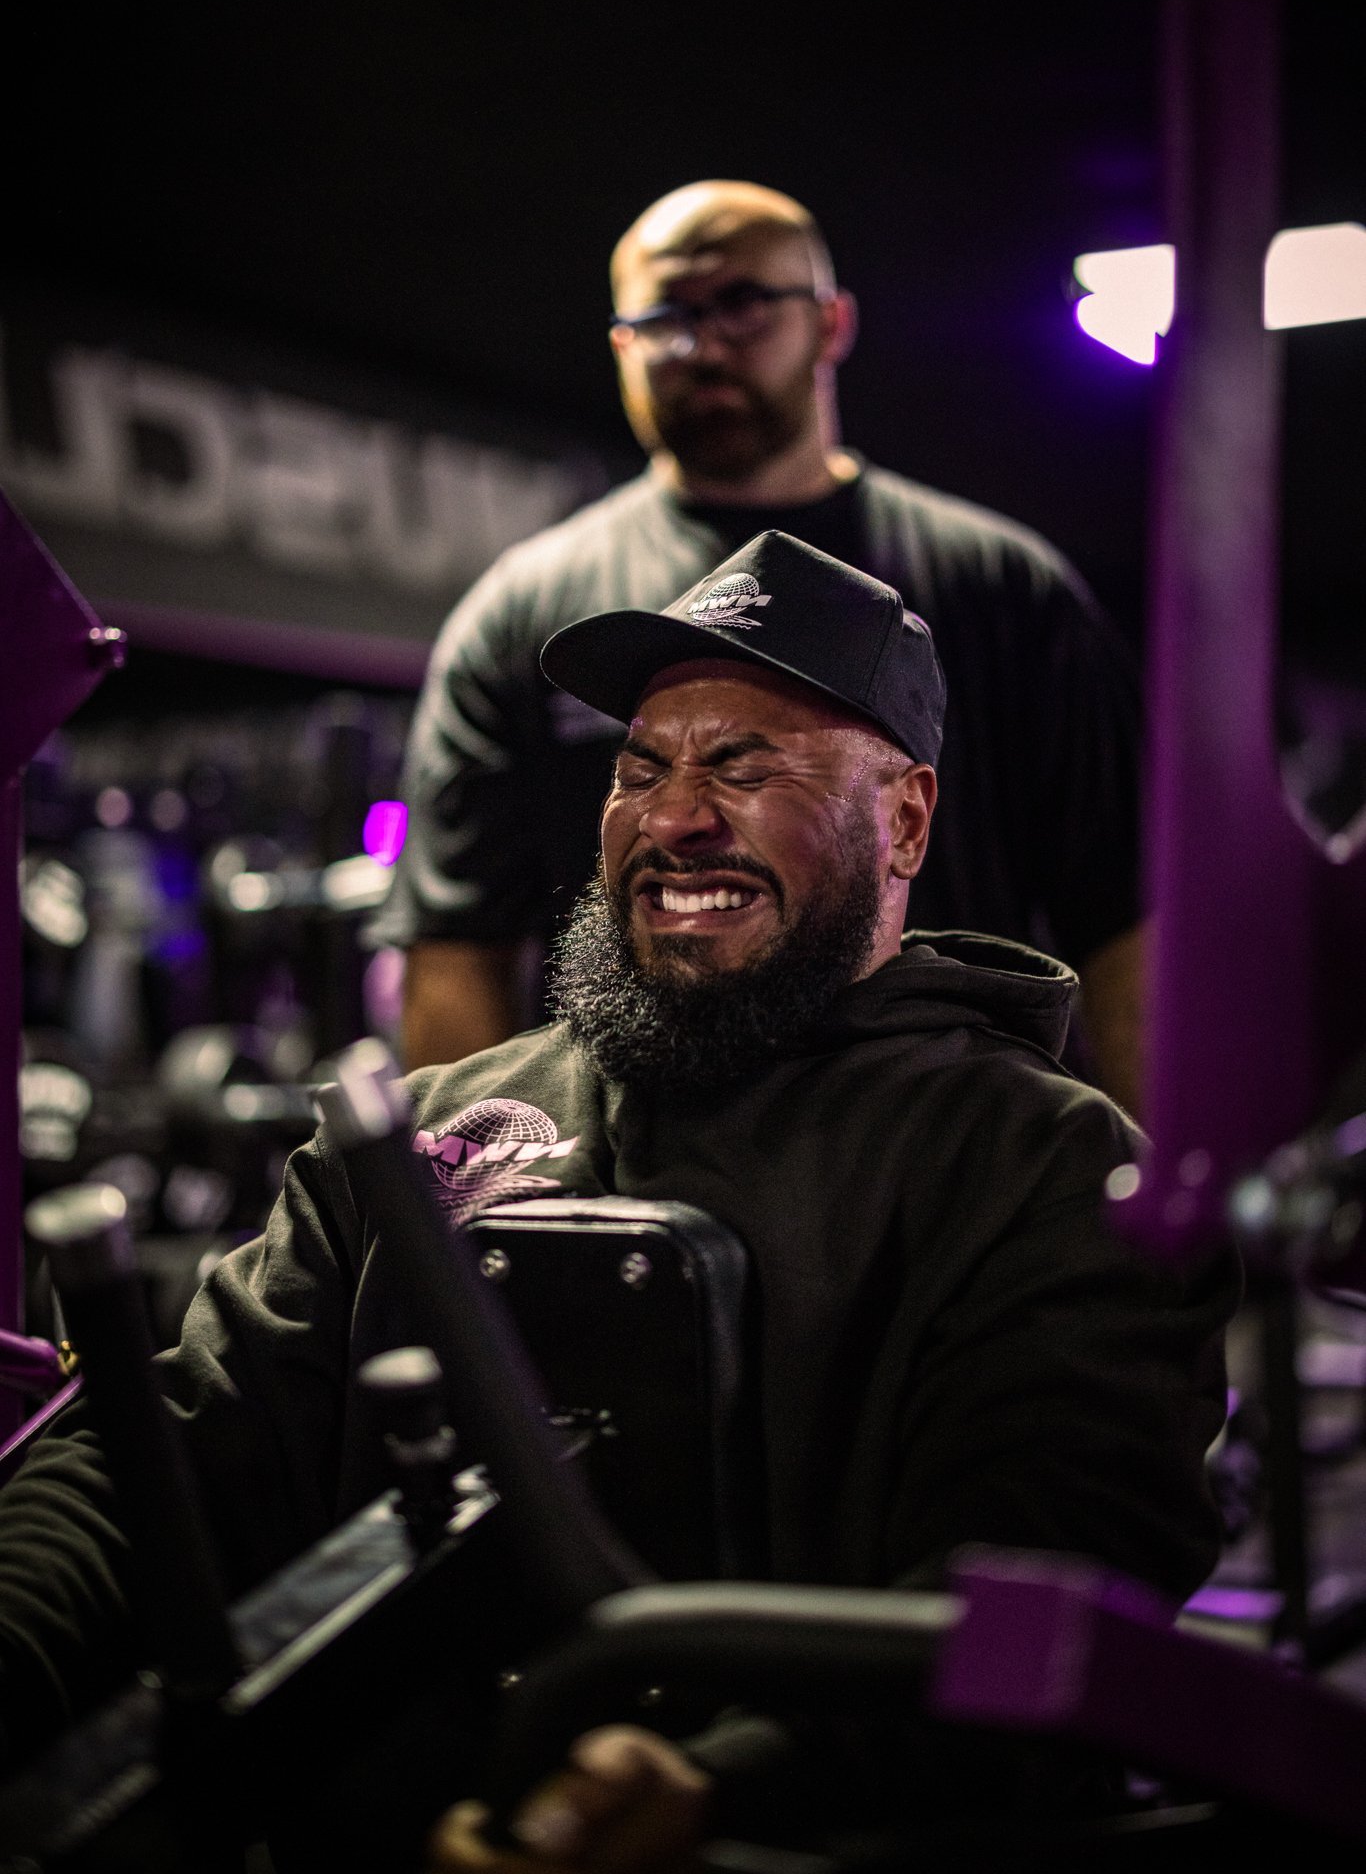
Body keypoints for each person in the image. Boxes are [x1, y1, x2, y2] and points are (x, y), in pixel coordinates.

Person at [0, 535, 1231, 1847]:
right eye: (639, 767)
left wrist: (723, 1786)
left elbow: (1045, 1598)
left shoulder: (1039, 1166)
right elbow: (173, 1447)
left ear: (906, 820)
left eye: (744, 766)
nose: (673, 816)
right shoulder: (426, 1131)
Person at [375, 180, 1146, 1116]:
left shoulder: (1002, 589)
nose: (701, 344)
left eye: (742, 303)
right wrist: (485, 1209)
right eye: (664, 316)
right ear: (620, 344)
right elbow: (457, 948)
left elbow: (1123, 923)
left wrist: (1165, 1195)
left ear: (830, 323)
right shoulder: (523, 613)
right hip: (635, 1174)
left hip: (944, 1144)